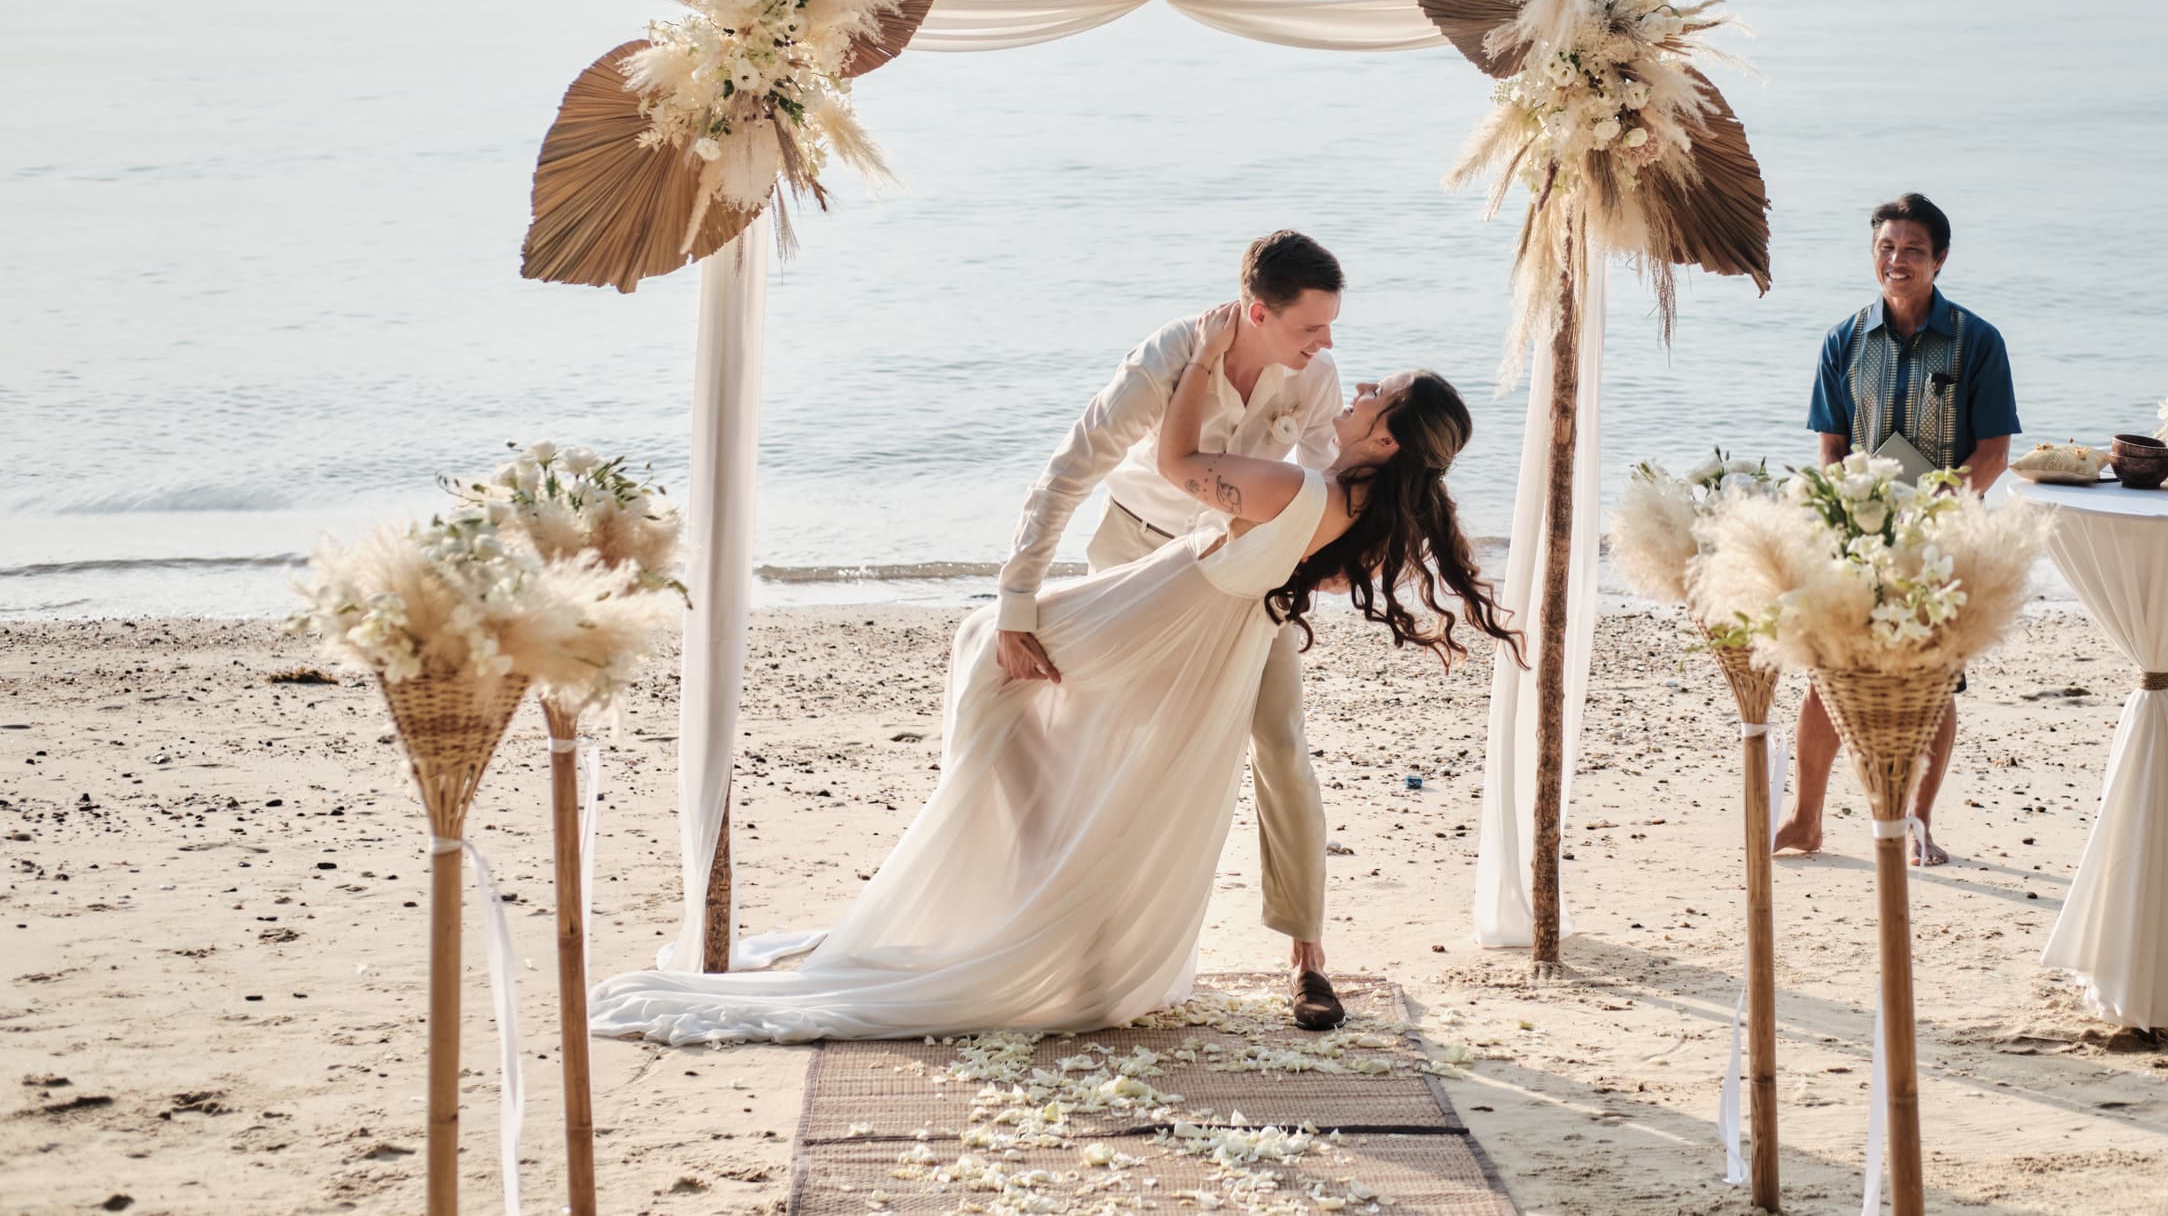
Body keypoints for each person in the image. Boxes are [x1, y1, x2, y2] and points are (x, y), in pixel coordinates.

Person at [587, 309, 1515, 1047]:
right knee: (1019, 681)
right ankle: (1037, 886)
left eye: (1377, 394)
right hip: (1187, 600)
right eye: (1328, 338)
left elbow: (1178, 463)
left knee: (989, 651)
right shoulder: (1362, 510)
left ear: (1389, 439)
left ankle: (1025, 895)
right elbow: (1296, 558)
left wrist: (1201, 360)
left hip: (1166, 606)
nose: (1352, 379)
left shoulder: (1305, 480)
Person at [995, 230, 1349, 1027]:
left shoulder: (1315, 374)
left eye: (1329, 326)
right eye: (1309, 327)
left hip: (1247, 563)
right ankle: (1089, 943)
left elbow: (1326, 479)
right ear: (1257, 312)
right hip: (1139, 553)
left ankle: (1308, 957)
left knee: (1281, 739)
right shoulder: (1167, 359)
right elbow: (1067, 472)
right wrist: (1017, 602)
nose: (1325, 343)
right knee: (1110, 739)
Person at [1775, 191, 2020, 867]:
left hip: (1943, 542)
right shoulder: (1844, 340)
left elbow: (1994, 454)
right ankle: (1805, 819)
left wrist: (1932, 515)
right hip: (1857, 536)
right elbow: (1831, 447)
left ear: (1940, 258)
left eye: (1913, 249)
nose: (1897, 260)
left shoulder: (1978, 342)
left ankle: (1918, 823)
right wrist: (1845, 512)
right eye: (1886, 247)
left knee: (1933, 682)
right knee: (1829, 673)